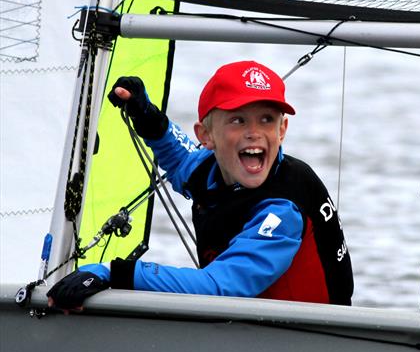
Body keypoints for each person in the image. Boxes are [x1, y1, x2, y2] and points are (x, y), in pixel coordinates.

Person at [48, 60, 353, 311]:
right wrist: (149, 119)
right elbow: (182, 160)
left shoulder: (283, 210)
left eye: (266, 120)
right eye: (238, 121)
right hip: (254, 339)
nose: (254, 133)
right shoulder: (212, 167)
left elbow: (219, 286)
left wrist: (113, 273)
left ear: (282, 130)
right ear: (206, 137)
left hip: (313, 349)